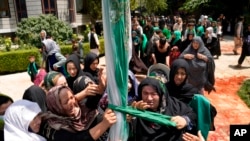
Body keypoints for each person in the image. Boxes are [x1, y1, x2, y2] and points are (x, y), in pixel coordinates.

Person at [39, 85, 116, 141]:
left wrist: (113, 115)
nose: (72, 103)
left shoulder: (82, 109)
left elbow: (97, 118)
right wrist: (104, 124)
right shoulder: (54, 126)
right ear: (57, 107)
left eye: (72, 97)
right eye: (66, 102)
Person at [130, 77, 197, 141]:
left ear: (161, 95)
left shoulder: (173, 106)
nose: (149, 98)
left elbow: (192, 114)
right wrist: (131, 117)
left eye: (153, 94)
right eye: (145, 93)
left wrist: (184, 120)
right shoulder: (134, 108)